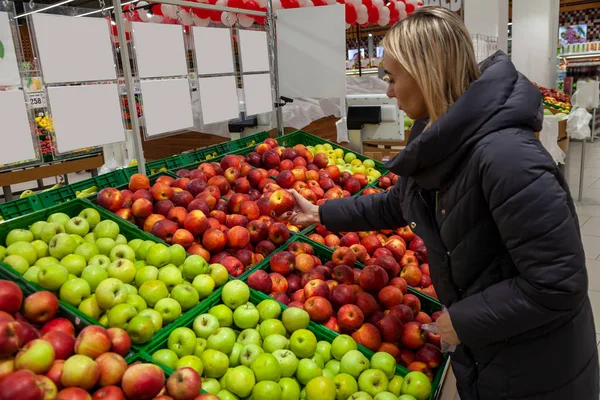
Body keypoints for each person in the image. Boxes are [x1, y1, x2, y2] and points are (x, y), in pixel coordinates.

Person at [283, 6, 599, 400]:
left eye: (393, 77)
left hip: (538, 367)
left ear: (426, 73)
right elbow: (397, 205)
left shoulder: (508, 157)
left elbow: (558, 283)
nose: (388, 91)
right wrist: (321, 212)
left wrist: (464, 321)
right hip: (493, 349)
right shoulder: (438, 136)